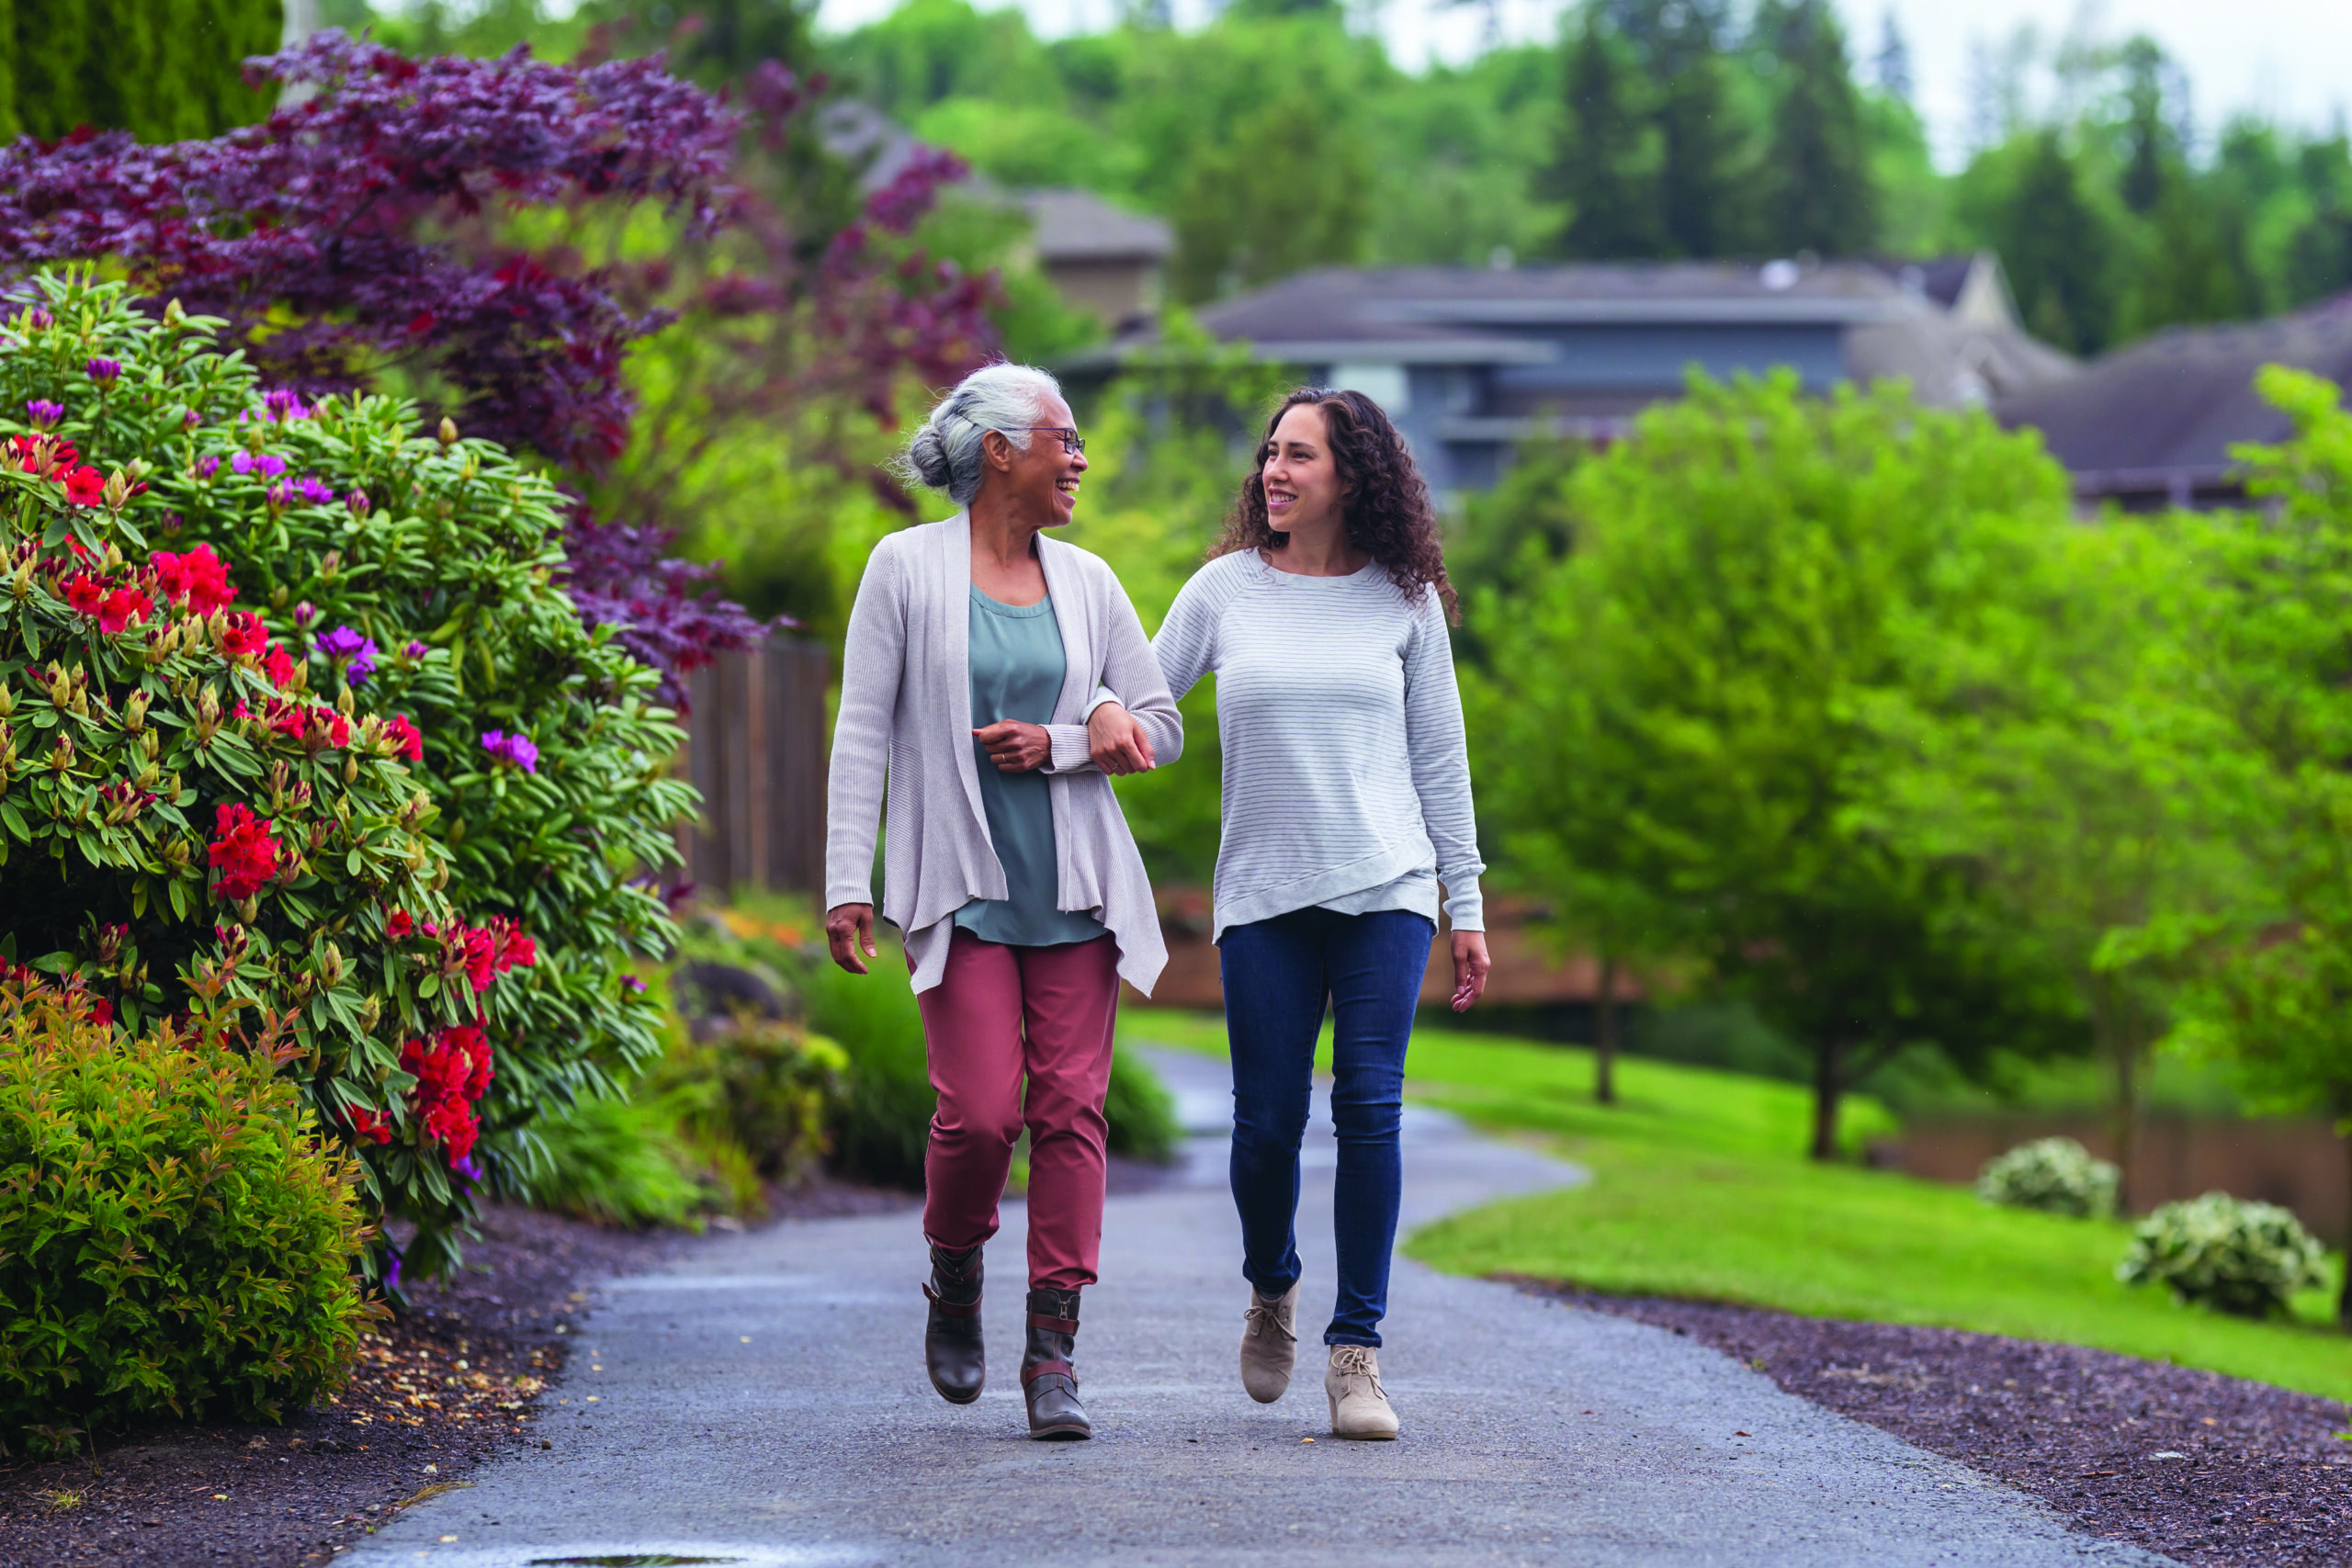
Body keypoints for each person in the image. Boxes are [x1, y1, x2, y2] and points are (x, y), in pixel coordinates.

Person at [822, 363, 1177, 1441]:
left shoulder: (1091, 581)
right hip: (963, 889)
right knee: (980, 1115)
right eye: (1062, 440)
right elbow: (862, 730)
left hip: (1075, 890)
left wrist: (1069, 742)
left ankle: (1053, 1353)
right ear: (999, 452)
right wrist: (848, 880)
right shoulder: (904, 568)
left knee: (1071, 1112)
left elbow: (1157, 726)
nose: (1079, 459)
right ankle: (955, 1272)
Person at [1152, 387, 1490, 1441]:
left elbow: (1440, 759)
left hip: (1385, 890)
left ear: (1353, 474)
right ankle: (1272, 1284)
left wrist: (1463, 900)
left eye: (1298, 455)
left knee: (1370, 1108)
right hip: (1263, 896)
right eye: (1268, 454)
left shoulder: (1405, 600)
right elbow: (1152, 724)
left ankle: (1357, 1355)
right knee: (1264, 1129)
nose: (1273, 472)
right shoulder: (1220, 592)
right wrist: (1075, 735)